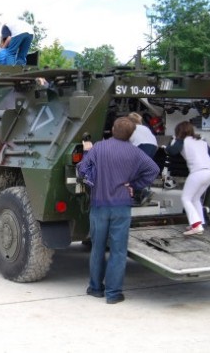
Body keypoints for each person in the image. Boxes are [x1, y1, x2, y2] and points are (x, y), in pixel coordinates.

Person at [78, 117, 159, 304]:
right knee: (118, 251)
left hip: (99, 206)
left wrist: (86, 152)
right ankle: (113, 294)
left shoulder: (98, 147)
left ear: (112, 129)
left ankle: (96, 288)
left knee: (97, 248)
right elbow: (153, 170)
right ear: (131, 134)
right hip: (122, 206)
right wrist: (135, 185)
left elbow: (83, 170)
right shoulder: (135, 152)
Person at [164, 120, 210, 236]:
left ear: (178, 131)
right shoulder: (201, 141)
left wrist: (173, 140)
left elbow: (171, 151)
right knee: (196, 198)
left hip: (197, 172)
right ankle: (200, 223)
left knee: (186, 198)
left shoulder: (181, 140)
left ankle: (196, 225)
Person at [128, 112, 158, 205]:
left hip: (142, 146)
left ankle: (140, 194)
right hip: (153, 147)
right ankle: (142, 192)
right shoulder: (145, 128)